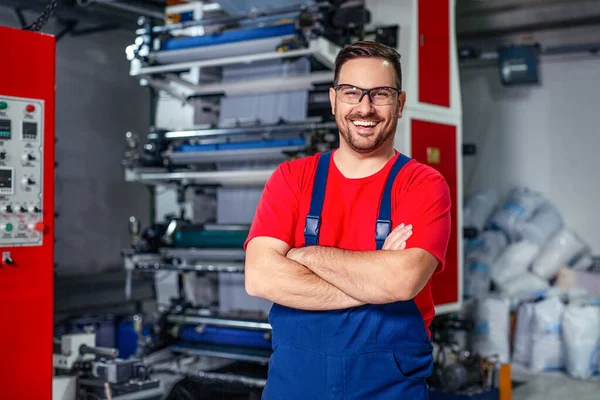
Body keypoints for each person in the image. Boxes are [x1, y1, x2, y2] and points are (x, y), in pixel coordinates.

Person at [244, 40, 452, 399]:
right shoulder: (291, 179)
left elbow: (399, 283)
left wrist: (304, 255)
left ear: (400, 104)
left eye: (381, 94)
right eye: (352, 92)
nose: (365, 107)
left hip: (387, 387)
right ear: (333, 100)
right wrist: (373, 282)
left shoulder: (423, 185)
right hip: (295, 385)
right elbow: (260, 277)